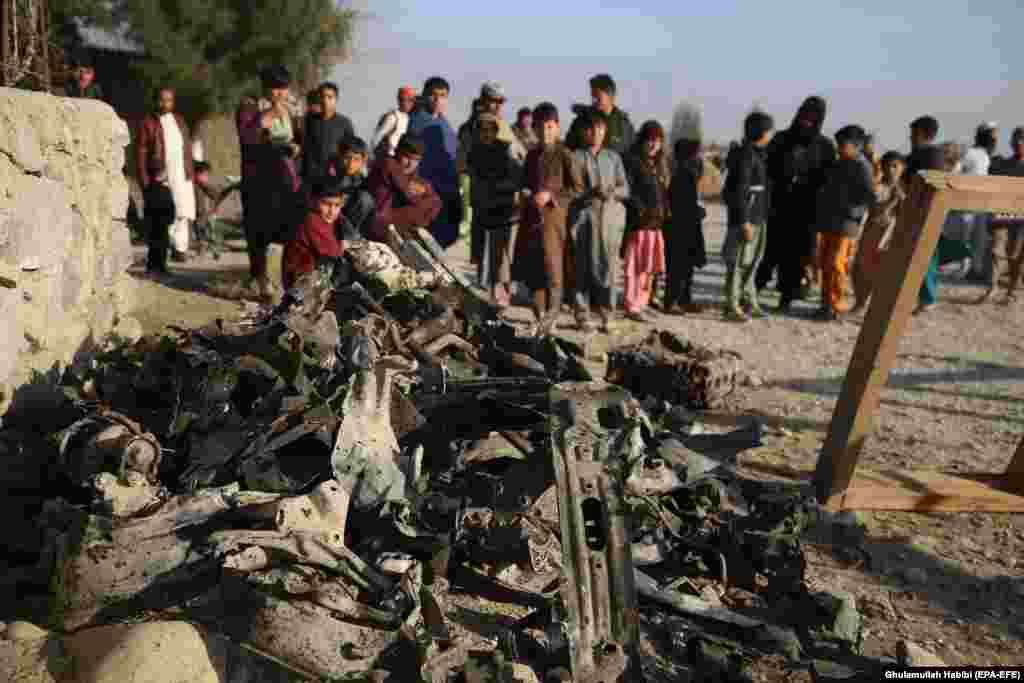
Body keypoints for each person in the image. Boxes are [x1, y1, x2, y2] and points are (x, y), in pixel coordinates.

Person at [757, 96, 836, 312]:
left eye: (813, 118)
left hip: (806, 211)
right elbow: (765, 171)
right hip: (778, 207)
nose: (807, 121)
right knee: (769, 252)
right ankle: (752, 291)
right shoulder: (781, 139)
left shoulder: (825, 147)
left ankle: (786, 298)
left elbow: (829, 181)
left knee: (796, 258)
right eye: (805, 115)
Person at [236, 65, 303, 301]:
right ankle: (259, 281)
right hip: (258, 180)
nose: (279, 94)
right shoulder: (250, 106)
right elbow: (247, 138)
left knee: (284, 228)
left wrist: (295, 147)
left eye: (283, 89)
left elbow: (296, 137)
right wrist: (267, 117)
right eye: (275, 88)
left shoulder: (290, 109)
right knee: (257, 231)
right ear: (265, 88)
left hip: (284, 180)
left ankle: (281, 280)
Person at [516, 102, 582, 333]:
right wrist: (524, 192)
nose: (546, 132)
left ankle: (552, 318)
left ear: (557, 127)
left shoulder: (565, 155)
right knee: (534, 269)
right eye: (541, 127)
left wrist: (551, 195)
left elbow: (577, 188)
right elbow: (524, 183)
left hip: (555, 221)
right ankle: (539, 315)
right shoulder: (532, 155)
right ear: (534, 128)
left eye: (550, 126)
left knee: (553, 269)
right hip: (531, 220)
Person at [570, 110, 630, 332]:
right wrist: (590, 192)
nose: (596, 133)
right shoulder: (576, 157)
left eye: (601, 129)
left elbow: (626, 189)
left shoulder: (613, 158)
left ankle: (607, 313)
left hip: (609, 219)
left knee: (610, 266)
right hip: (584, 218)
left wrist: (612, 191)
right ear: (584, 132)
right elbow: (571, 191)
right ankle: (582, 313)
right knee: (582, 266)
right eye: (592, 129)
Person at [813, 125, 877, 321]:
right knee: (825, 264)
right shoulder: (840, 163)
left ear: (857, 145)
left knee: (836, 265)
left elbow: (869, 196)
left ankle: (834, 305)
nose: (839, 147)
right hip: (829, 222)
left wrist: (853, 213)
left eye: (843, 144)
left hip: (847, 224)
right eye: (838, 144)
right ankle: (825, 304)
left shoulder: (862, 166)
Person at [466, 113, 523, 312]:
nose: (486, 133)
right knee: (485, 256)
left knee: (504, 259)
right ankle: (491, 297)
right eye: (482, 129)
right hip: (484, 209)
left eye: (491, 129)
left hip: (506, 211)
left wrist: (498, 187)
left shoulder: (506, 150)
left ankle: (503, 296)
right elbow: (474, 180)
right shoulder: (474, 153)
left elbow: (517, 179)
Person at [722, 111, 773, 322]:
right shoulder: (745, 156)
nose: (771, 135)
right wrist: (744, 221)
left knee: (753, 262)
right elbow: (740, 190)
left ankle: (749, 299)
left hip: (758, 216)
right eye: (769, 130)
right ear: (761, 132)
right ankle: (732, 305)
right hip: (745, 220)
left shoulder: (759, 154)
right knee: (737, 263)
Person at [136, 86, 196, 261]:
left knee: (183, 212)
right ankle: (164, 252)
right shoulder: (149, 122)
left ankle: (180, 248)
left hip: (182, 172)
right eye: (162, 99)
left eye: (169, 100)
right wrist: (144, 179)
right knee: (166, 213)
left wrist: (190, 171)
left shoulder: (179, 120)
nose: (165, 103)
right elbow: (141, 152)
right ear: (156, 100)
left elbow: (186, 147)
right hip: (162, 175)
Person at [622, 121, 669, 321]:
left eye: (658, 141)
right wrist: (641, 211)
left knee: (649, 268)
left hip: (655, 224)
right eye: (650, 140)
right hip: (639, 224)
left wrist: (666, 210)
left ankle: (642, 301)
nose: (653, 145)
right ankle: (631, 305)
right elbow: (628, 191)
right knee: (635, 267)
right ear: (642, 140)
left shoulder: (657, 163)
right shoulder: (633, 161)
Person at [408, 77, 461, 248]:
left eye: (443, 95)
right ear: (424, 96)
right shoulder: (413, 121)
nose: (438, 100)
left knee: (445, 238)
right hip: (425, 192)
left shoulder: (445, 124)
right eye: (433, 95)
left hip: (448, 192)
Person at [851, 151, 906, 312]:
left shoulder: (905, 190)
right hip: (871, 234)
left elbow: (905, 215)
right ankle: (860, 303)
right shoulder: (877, 187)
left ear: (903, 168)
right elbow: (874, 209)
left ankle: (879, 308)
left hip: (890, 238)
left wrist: (900, 199)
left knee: (883, 274)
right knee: (860, 270)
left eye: (895, 166)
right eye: (887, 166)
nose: (891, 169)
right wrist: (892, 201)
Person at [366, 133, 442, 243]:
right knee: (419, 210)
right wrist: (423, 199)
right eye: (407, 157)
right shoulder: (388, 164)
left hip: (392, 223)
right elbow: (409, 195)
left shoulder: (414, 177)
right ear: (397, 151)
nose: (410, 164)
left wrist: (424, 192)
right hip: (376, 223)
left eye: (416, 160)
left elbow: (437, 202)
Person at [904, 115, 946, 314]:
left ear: (920, 134)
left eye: (912, 134)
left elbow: (926, 183)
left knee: (925, 255)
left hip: (924, 212)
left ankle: (927, 298)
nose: (910, 138)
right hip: (923, 211)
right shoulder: (930, 154)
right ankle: (924, 297)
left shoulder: (927, 154)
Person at [979, 127, 1024, 304]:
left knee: (1016, 256)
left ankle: (1011, 292)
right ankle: (992, 288)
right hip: (1002, 215)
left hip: (1021, 219)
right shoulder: (1002, 164)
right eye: (1016, 140)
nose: (1019, 143)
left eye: (1021, 140)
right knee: (996, 252)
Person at [664, 137, 707, 314]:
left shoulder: (688, 174)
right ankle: (672, 301)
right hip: (678, 228)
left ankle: (685, 300)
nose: (700, 158)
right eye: (697, 154)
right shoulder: (682, 175)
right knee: (677, 268)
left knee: (688, 267)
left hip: (689, 227)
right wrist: (698, 212)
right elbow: (682, 205)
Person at [282, 177, 347, 291]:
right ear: (313, 201)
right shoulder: (312, 219)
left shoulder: (332, 218)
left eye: (337, 205)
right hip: (303, 287)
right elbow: (336, 255)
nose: (332, 211)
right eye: (326, 204)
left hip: (317, 279)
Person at [962, 123, 999, 282]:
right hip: (966, 203)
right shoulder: (970, 153)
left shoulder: (986, 156)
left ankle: (974, 270)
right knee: (966, 237)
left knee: (979, 239)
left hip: (982, 205)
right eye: (993, 137)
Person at [566, 74, 635, 156]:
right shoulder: (581, 121)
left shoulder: (624, 125)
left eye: (597, 96)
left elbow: (632, 154)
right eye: (592, 96)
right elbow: (569, 150)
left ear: (610, 95)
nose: (594, 100)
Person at [303, 82, 356, 182]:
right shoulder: (309, 121)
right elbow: (306, 147)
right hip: (312, 176)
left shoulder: (344, 123)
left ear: (336, 100)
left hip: (336, 175)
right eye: (322, 97)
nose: (325, 100)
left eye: (329, 97)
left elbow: (351, 150)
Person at [327, 136, 376, 240]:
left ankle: (349, 237)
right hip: (328, 213)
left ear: (362, 161)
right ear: (340, 156)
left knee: (366, 199)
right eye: (347, 158)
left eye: (356, 159)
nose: (351, 164)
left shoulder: (360, 179)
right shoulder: (329, 172)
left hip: (345, 220)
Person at [142, 160, 176, 276]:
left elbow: (145, 208)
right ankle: (161, 267)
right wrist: (171, 218)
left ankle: (151, 267)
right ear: (161, 174)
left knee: (152, 246)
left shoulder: (147, 190)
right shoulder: (166, 190)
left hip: (151, 223)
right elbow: (171, 206)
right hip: (163, 223)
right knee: (162, 246)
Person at [191, 161, 227, 257]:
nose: (206, 178)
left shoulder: (204, 185)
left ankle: (213, 250)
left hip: (204, 212)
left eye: (207, 175)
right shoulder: (192, 184)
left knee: (208, 231)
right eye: (204, 175)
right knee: (199, 231)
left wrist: (214, 208)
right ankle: (202, 248)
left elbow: (215, 193)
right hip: (196, 212)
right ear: (197, 174)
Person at [372, 86, 417, 159]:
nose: (406, 103)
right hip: (388, 156)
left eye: (410, 100)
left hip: (399, 156)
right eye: (402, 99)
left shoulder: (407, 117)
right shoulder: (393, 117)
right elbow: (376, 138)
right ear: (399, 100)